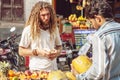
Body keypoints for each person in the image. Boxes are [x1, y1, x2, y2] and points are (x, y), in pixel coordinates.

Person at [71, 0, 120, 80]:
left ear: (98, 19)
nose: (92, 25)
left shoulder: (100, 36)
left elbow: (98, 72)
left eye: (91, 22)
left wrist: (79, 77)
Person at [19, 1, 62, 71]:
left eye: (48, 14)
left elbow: (59, 46)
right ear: (37, 16)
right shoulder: (29, 30)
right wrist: (37, 52)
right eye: (43, 15)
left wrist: (56, 53)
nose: (46, 17)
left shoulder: (54, 29)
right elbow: (21, 51)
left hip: (53, 70)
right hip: (36, 71)